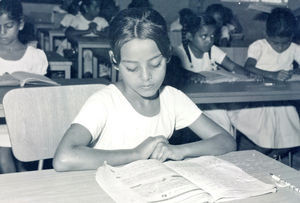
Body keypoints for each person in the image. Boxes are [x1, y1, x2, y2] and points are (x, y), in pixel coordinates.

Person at [53, 8, 236, 171]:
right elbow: (63, 158)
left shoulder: (172, 99)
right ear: (115, 61)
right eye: (132, 68)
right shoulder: (105, 101)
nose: (146, 76)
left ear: (167, 55)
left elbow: (226, 141)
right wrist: (136, 154)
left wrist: (179, 150)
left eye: (155, 64)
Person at [230, 8, 300, 150]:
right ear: (266, 34)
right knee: (267, 137)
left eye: (284, 43)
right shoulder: (258, 46)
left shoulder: (295, 48)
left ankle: (273, 155)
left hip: (282, 100)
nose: (280, 47)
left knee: (291, 136)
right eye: (275, 43)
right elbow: (248, 67)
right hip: (260, 99)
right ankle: (263, 155)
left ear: (292, 37)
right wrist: (273, 75)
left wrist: (291, 72)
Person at [0, 0, 48, 173]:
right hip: (0, 120)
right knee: (4, 158)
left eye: (8, 26)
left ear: (20, 24)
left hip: (26, 120)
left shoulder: (36, 57)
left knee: (22, 159)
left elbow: (41, 93)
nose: (2, 32)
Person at [62, 0, 109, 77]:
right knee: (88, 54)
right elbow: (68, 33)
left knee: (101, 59)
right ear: (86, 8)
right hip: (82, 52)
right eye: (95, 7)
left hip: (99, 51)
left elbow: (110, 33)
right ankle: (87, 75)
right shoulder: (77, 19)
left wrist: (97, 32)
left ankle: (103, 75)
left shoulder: (101, 20)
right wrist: (87, 31)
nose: (98, 10)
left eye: (99, 7)